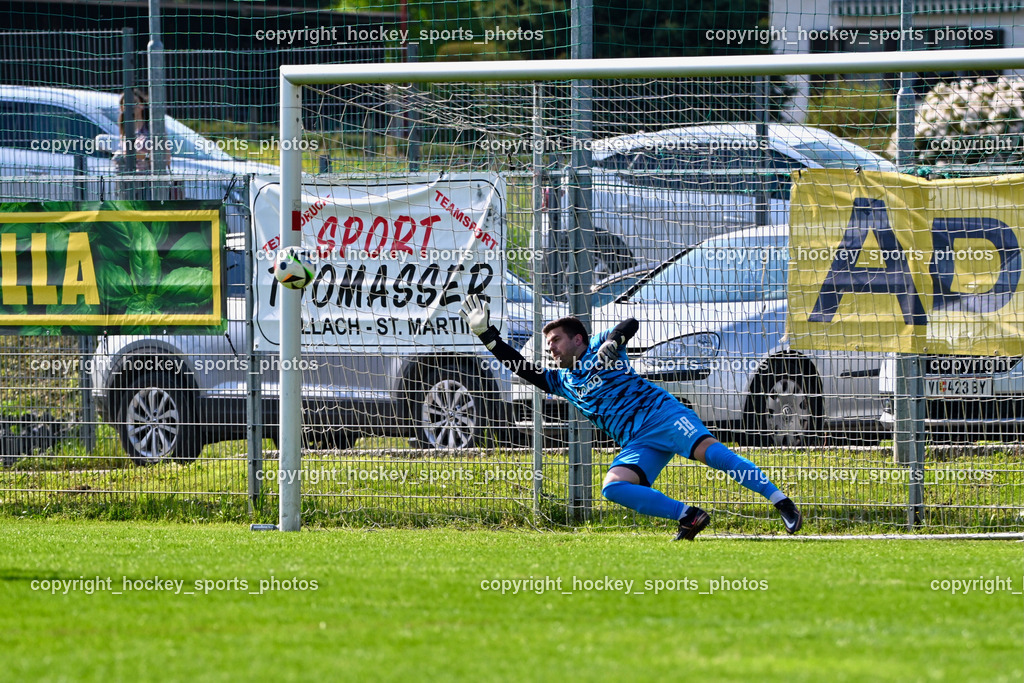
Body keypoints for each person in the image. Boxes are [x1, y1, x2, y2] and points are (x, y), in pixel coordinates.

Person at [459, 296, 802, 540]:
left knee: (712, 454)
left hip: (663, 415)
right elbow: (523, 368)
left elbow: (629, 323)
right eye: (548, 344)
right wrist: (488, 337)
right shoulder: (561, 380)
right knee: (613, 488)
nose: (551, 348)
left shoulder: (595, 345)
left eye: (556, 341)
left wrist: (614, 339)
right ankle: (689, 516)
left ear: (578, 339)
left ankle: (781, 502)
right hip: (637, 441)